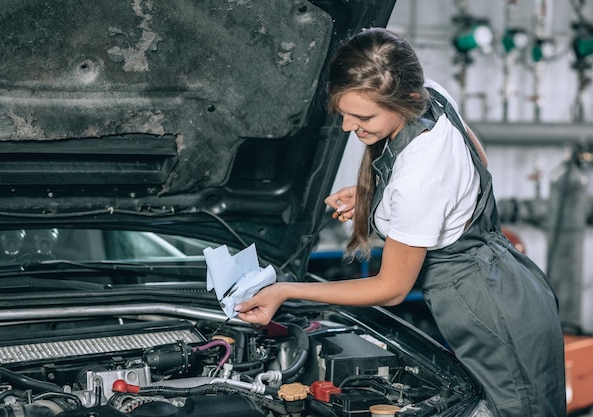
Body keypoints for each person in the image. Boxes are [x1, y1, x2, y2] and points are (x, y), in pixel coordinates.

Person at [234, 28, 566, 417]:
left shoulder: (418, 178)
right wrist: (376, 197)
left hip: (490, 311)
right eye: (344, 114)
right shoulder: (432, 94)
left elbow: (391, 288)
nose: (347, 128)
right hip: (510, 284)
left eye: (362, 117)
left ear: (404, 98)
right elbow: (477, 165)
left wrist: (287, 291)